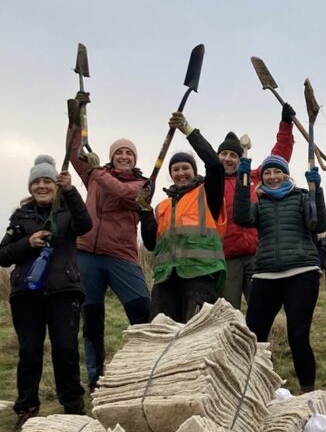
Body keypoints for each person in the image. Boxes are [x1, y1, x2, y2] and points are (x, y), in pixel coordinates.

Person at [0, 155, 93, 429]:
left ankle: (73, 407)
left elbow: (85, 225)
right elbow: (2, 255)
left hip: (64, 291)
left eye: (47, 181)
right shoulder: (20, 217)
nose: (42, 186)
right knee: (29, 351)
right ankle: (27, 408)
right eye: (36, 182)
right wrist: (28, 242)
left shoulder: (67, 212)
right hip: (26, 294)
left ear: (56, 185)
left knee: (65, 349)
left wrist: (71, 190)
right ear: (30, 187)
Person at [68, 92, 151, 392]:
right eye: (119, 153)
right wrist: (76, 116)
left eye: (129, 154)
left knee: (142, 312)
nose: (124, 157)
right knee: (92, 319)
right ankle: (95, 377)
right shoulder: (94, 174)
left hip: (121, 255)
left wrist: (97, 170)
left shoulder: (141, 184)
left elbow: (122, 194)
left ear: (134, 159)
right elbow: (73, 149)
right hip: (87, 253)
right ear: (112, 156)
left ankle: (143, 371)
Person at [233, 154, 326, 392]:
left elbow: (319, 224)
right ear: (262, 177)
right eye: (267, 173)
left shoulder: (302, 198)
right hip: (266, 275)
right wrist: (243, 179)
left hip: (302, 272)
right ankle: (254, 389)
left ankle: (308, 393)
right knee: (254, 338)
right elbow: (241, 217)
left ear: (286, 175)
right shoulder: (259, 204)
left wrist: (317, 190)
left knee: (298, 336)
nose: (272, 177)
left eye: (277, 172)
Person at [139, 112, 226, 323]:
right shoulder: (162, 206)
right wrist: (144, 211)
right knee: (161, 335)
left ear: (194, 171)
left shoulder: (208, 193)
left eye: (185, 168)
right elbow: (150, 244)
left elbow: (215, 165)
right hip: (165, 280)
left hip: (201, 276)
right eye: (176, 169)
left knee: (196, 337)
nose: (181, 173)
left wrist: (188, 130)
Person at [218, 103, 296, 309]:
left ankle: (261, 342)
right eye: (224, 154)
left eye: (233, 155)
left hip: (257, 255)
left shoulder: (254, 177)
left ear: (240, 158)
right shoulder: (209, 184)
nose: (228, 158)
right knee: (227, 312)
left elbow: (279, 156)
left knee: (261, 311)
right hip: (227, 257)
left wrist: (286, 125)